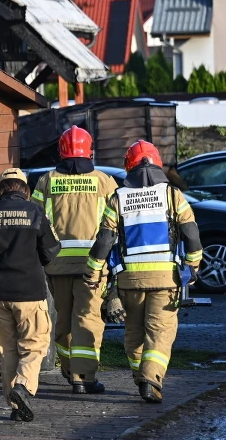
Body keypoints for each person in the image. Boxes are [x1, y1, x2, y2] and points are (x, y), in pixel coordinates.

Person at [85, 140, 203, 404]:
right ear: (157, 163)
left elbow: (105, 241)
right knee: (160, 332)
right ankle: (151, 379)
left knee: (134, 334)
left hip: (129, 281)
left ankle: (142, 377)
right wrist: (193, 265)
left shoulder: (118, 197)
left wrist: (93, 273)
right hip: (165, 279)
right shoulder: (173, 195)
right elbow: (191, 233)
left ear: (129, 166)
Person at [29, 126, 117, 394]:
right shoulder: (105, 182)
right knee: (88, 320)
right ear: (89, 150)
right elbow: (114, 226)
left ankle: (69, 371)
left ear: (62, 151)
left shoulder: (46, 181)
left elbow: (34, 221)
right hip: (94, 267)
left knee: (63, 320)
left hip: (56, 265)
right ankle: (84, 377)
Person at [0, 168, 60, 422]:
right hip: (28, 293)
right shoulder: (36, 212)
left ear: (0, 190)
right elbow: (50, 252)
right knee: (35, 345)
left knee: (7, 350)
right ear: (25, 190)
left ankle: (15, 407)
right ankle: (22, 387)